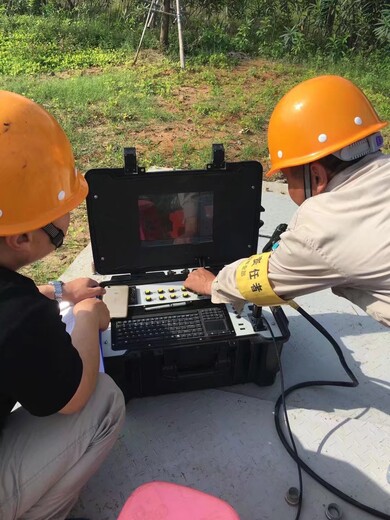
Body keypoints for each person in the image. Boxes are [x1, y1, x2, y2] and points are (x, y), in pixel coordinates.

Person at [0, 90, 126, 520]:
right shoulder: (17, 317)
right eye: (56, 233)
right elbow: (71, 398)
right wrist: (88, 315)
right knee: (104, 400)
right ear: (19, 238)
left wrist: (59, 291)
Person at [184, 75, 390, 327]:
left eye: (287, 177)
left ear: (316, 175)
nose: (289, 186)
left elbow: (262, 280)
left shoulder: (325, 223)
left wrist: (212, 284)